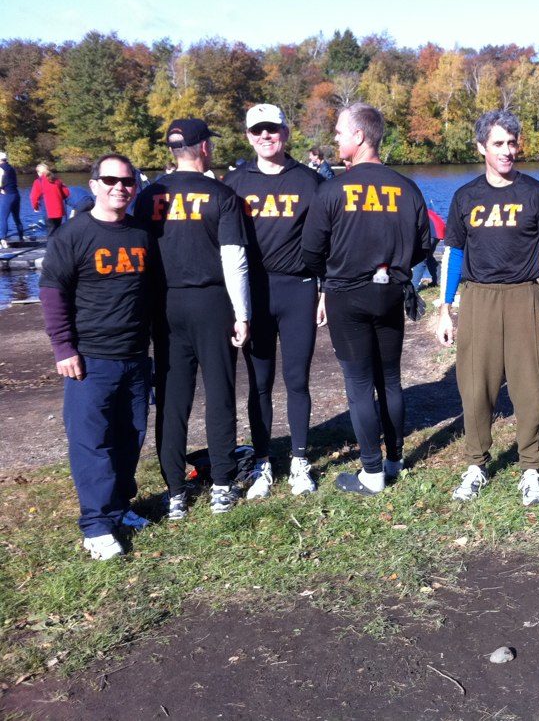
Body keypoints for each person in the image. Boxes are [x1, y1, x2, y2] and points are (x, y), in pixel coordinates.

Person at [436, 110, 539, 505]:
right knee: (475, 385)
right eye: (498, 144)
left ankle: (531, 467)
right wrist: (444, 307)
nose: (508, 151)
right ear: (481, 148)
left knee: (531, 386)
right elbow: (454, 253)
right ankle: (476, 464)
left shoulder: (537, 194)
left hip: (524, 295)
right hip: (478, 298)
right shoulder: (466, 197)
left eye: (512, 143)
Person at [302, 103, 431, 495]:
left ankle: (372, 473)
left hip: (347, 295)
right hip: (391, 291)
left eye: (340, 131)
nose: (336, 138)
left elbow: (310, 252)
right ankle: (394, 458)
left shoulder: (331, 190)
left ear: (360, 136)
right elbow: (425, 246)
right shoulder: (406, 187)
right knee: (389, 377)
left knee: (359, 383)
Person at [39, 154, 154, 559]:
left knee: (130, 436)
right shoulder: (73, 235)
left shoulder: (141, 233)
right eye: (110, 180)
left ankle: (121, 507)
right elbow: (53, 293)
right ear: (93, 185)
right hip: (90, 359)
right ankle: (96, 525)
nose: (119, 187)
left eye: (127, 182)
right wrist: (63, 347)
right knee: (92, 443)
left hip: (136, 357)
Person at [135, 118, 251, 519]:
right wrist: (243, 314)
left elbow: (140, 254)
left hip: (165, 306)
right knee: (219, 391)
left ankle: (175, 493)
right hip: (212, 301)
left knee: (172, 398)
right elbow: (233, 259)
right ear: (204, 148)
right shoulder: (220, 193)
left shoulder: (149, 195)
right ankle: (221, 483)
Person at [222, 104, 323, 498]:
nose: (266, 136)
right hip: (254, 293)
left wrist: (324, 290)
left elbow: (326, 242)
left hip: (298, 289)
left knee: (297, 380)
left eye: (273, 129)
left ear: (286, 132)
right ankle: (263, 461)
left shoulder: (310, 181)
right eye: (258, 130)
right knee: (259, 383)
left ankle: (299, 459)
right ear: (248, 136)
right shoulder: (234, 182)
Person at [30, 163, 70, 238]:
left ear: (39, 173)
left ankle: (51, 248)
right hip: (59, 210)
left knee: (50, 231)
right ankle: (58, 247)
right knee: (58, 230)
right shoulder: (57, 180)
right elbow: (66, 193)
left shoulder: (38, 182)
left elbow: (33, 197)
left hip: (48, 212)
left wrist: (35, 207)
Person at [412, 207, 445, 289]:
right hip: (439, 230)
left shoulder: (409, 213)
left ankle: (413, 287)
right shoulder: (417, 208)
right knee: (429, 257)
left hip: (432, 231)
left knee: (420, 259)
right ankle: (438, 281)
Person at [0, 152, 23, 247]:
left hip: (7, 196)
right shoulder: (11, 168)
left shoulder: (1, 169)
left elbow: (1, 182)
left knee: (2, 219)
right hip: (16, 195)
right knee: (16, 218)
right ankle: (21, 237)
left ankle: (3, 240)